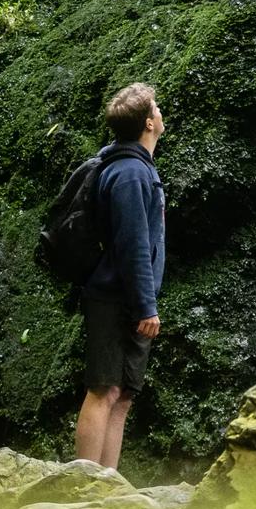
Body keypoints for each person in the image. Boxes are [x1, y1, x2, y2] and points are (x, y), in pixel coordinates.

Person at [74, 82, 167, 470]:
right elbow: (133, 246)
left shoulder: (134, 167)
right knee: (103, 390)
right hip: (115, 298)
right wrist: (146, 306)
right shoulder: (129, 173)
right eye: (157, 108)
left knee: (122, 394)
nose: (162, 113)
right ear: (148, 122)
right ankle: (83, 482)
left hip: (125, 297)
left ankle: (106, 484)